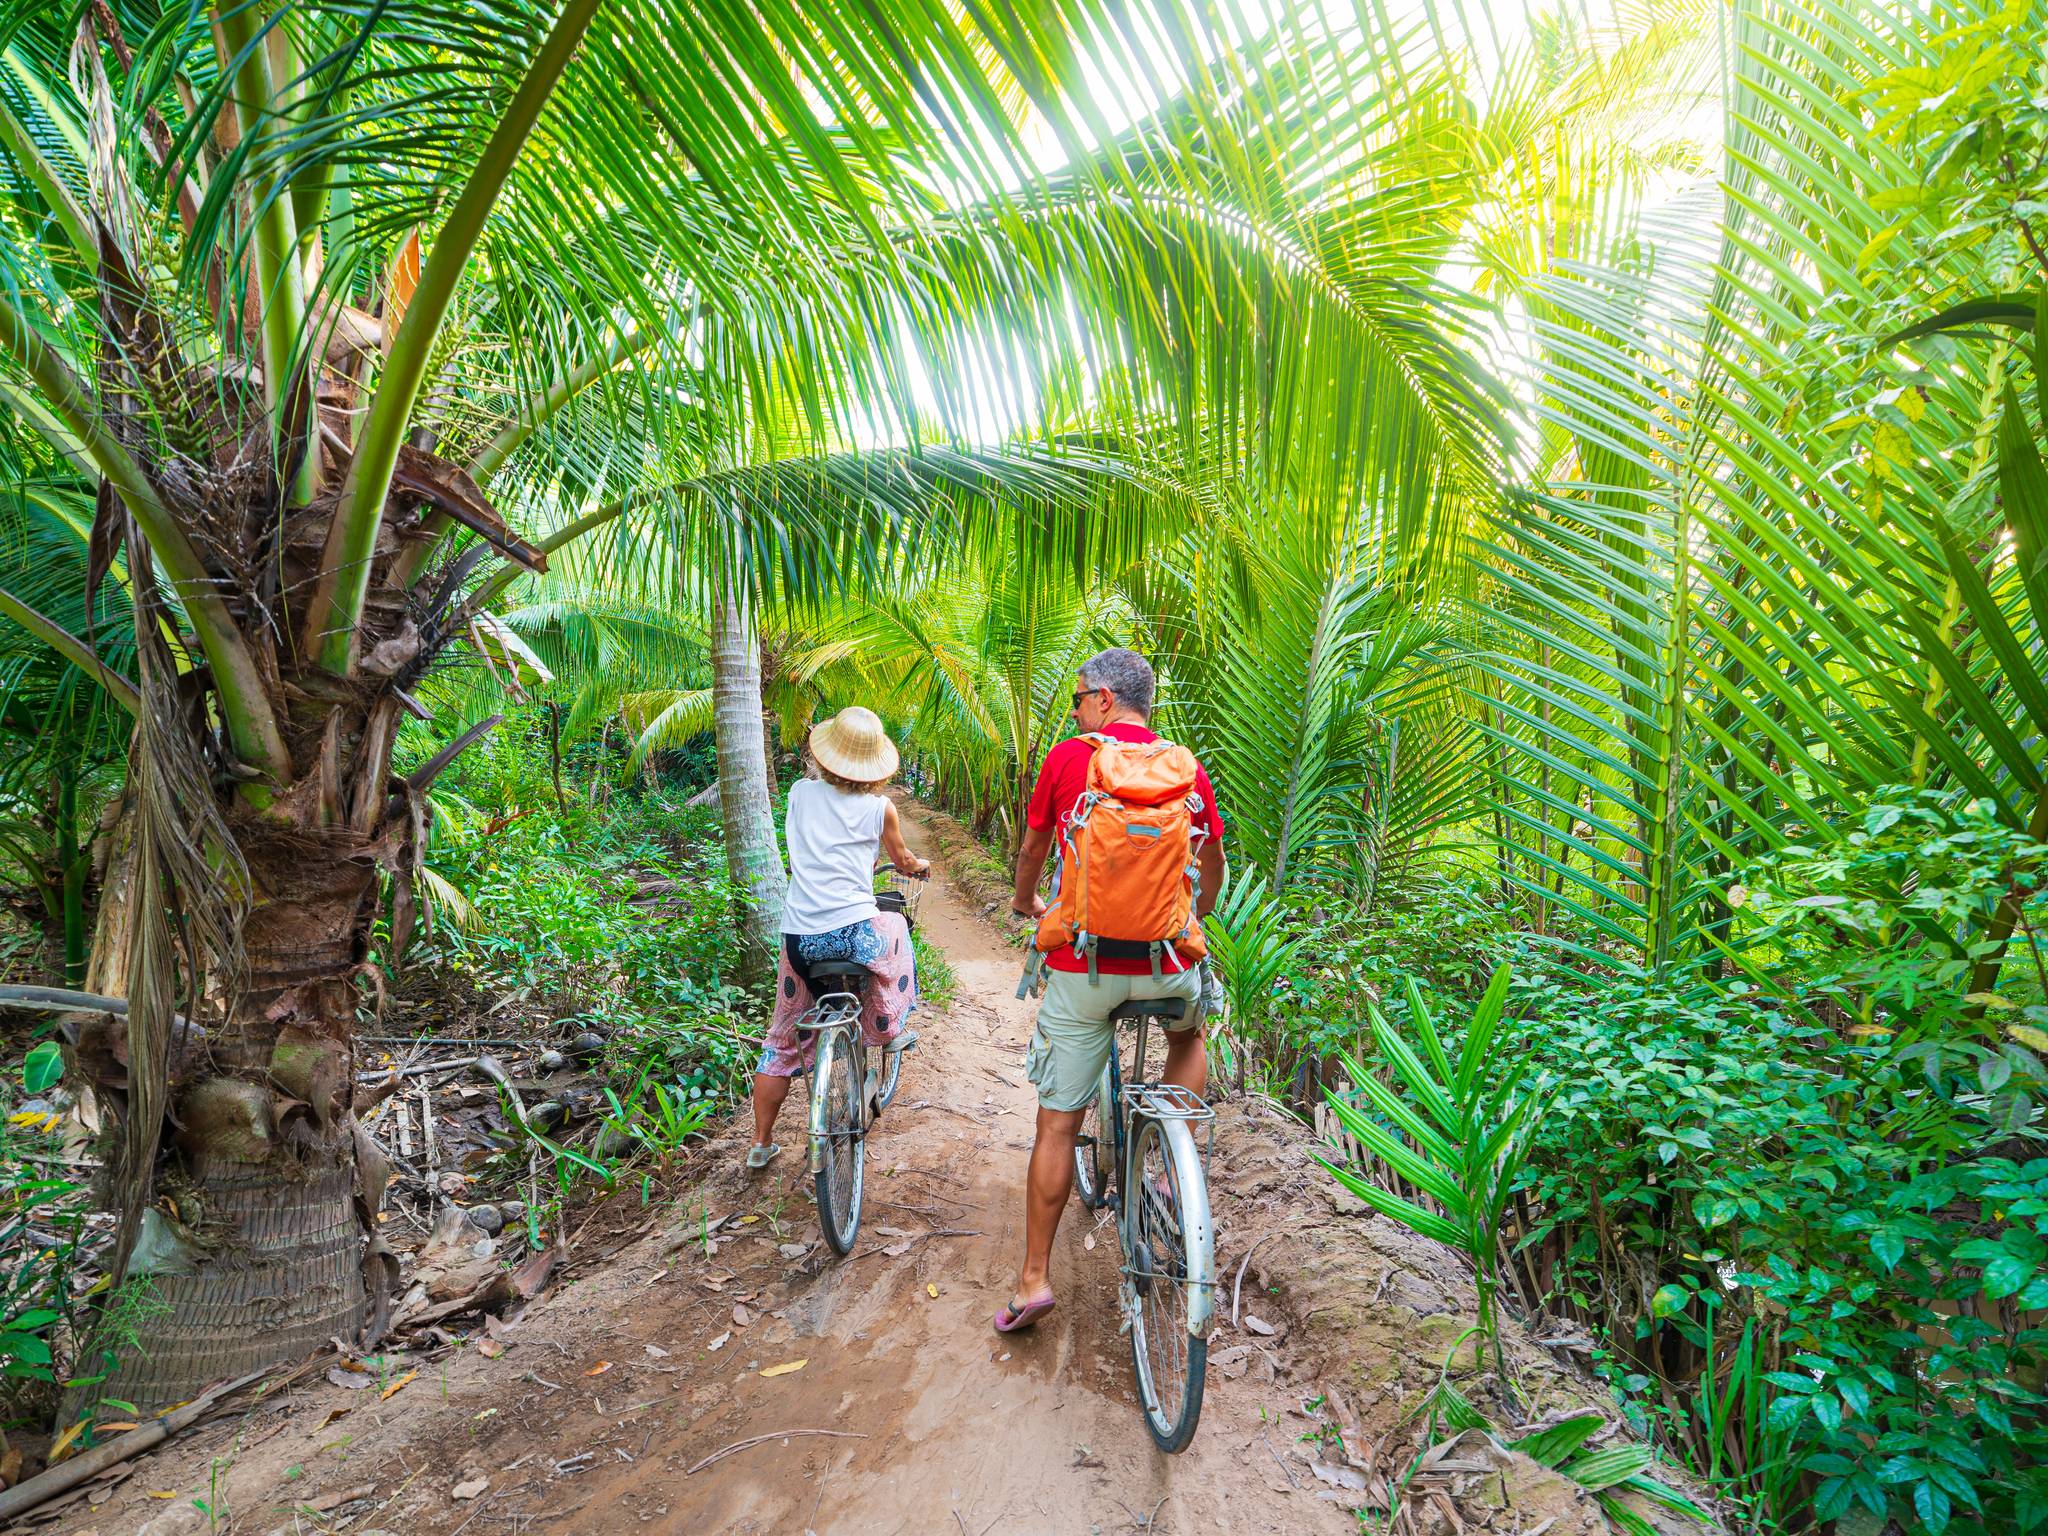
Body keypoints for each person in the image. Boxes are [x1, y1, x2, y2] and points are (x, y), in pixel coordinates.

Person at [996, 648, 1225, 1331]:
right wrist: (1195, 914)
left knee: (1058, 1124)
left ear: (1101, 699)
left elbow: (1035, 849)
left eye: (1075, 699)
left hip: (1082, 969)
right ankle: (1167, 1163)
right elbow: (1211, 862)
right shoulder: (1185, 768)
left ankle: (1034, 1280)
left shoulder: (1070, 760)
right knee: (1189, 1032)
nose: (1071, 710)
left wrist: (1025, 901)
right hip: (1164, 962)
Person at [747, 705, 929, 1170]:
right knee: (895, 927)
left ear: (825, 755)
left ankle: (761, 1143)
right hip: (853, 936)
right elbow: (903, 859)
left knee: (783, 1038)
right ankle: (887, 1026)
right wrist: (917, 867)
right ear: (874, 765)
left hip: (800, 941)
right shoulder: (879, 808)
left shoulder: (799, 794)